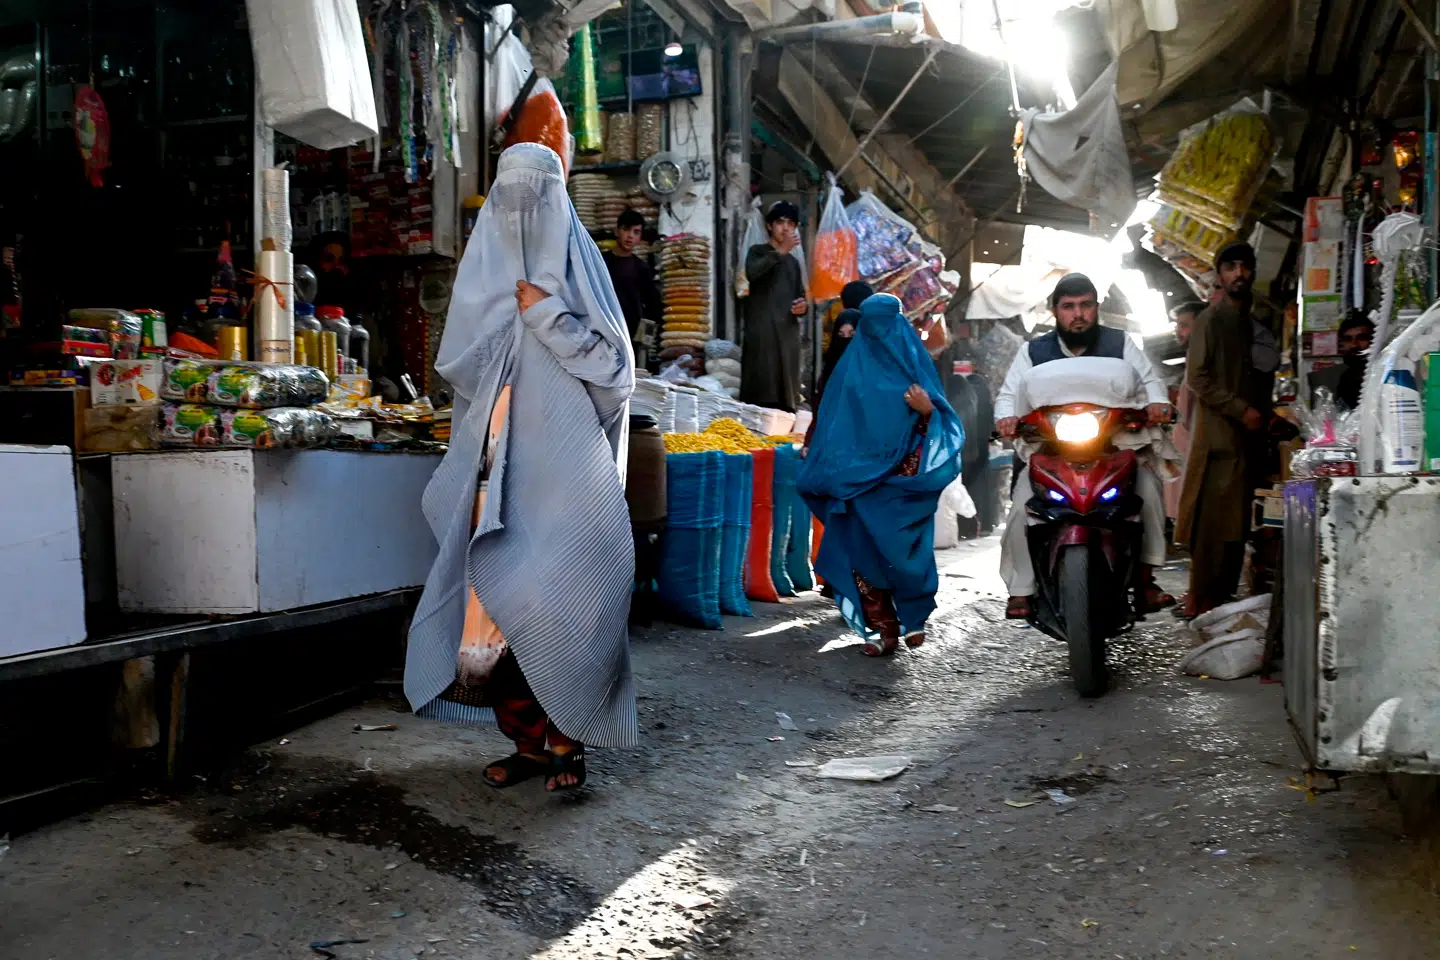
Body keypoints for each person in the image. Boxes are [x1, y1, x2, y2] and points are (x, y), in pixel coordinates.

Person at [405, 143, 637, 793]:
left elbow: (616, 376)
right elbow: (459, 371)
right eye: (507, 201)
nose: (520, 216)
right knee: (496, 614)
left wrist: (548, 317)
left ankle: (569, 740)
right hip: (496, 476)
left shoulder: (583, 281)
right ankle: (529, 744)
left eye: (535, 199)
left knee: (562, 606)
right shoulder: (485, 286)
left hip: (567, 484)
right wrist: (504, 324)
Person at [994, 273, 1174, 620]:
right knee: (1021, 504)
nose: (1078, 314)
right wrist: (1005, 419)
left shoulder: (1121, 344)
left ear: (1096, 307)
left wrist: (1157, 404)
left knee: (1148, 489)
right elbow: (1008, 395)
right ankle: (1021, 588)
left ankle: (1145, 579)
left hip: (1113, 444)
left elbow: (1150, 383)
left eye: (1085, 305)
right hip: (1051, 447)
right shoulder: (1032, 351)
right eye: (1069, 307)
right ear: (1055, 311)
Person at [799, 293, 965, 657]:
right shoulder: (850, 373)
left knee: (906, 552)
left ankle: (912, 615)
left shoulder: (915, 367)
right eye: (873, 324)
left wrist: (926, 411)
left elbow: (944, 419)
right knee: (862, 552)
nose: (881, 332)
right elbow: (832, 425)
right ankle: (882, 628)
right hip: (860, 481)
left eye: (887, 323)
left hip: (903, 481)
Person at [1176, 242, 1266, 618]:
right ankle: (1200, 602)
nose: (1239, 274)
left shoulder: (1247, 322)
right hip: (1217, 442)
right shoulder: (1211, 320)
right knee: (1209, 529)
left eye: (1245, 267)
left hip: (1243, 442)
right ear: (1220, 275)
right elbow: (1197, 377)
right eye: (1231, 267)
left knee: (1234, 529)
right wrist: (1240, 409)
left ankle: (1218, 603)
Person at [741, 201, 809, 411]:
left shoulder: (793, 263)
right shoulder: (758, 252)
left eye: (791, 223)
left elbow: (800, 296)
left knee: (786, 399)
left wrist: (802, 307)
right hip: (763, 335)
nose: (786, 228)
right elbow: (753, 273)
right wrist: (779, 251)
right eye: (780, 222)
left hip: (787, 336)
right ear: (770, 226)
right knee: (761, 395)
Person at [1163, 301, 1206, 524]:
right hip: (1185, 447)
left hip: (1193, 448)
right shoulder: (1193, 358)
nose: (1179, 331)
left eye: (1184, 325)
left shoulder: (1203, 361)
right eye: (1178, 325)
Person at [603, 208, 661, 344]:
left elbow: (653, 305)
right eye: (626, 229)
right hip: (604, 329)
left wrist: (646, 338)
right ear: (616, 231)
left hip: (631, 334)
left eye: (636, 232)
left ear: (640, 237)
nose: (630, 236)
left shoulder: (641, 268)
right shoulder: (601, 262)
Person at [1308, 316, 1374, 410]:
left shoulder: (1382, 371)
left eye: (1362, 338)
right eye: (1348, 339)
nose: (1354, 344)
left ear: (1373, 339)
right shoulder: (1347, 377)